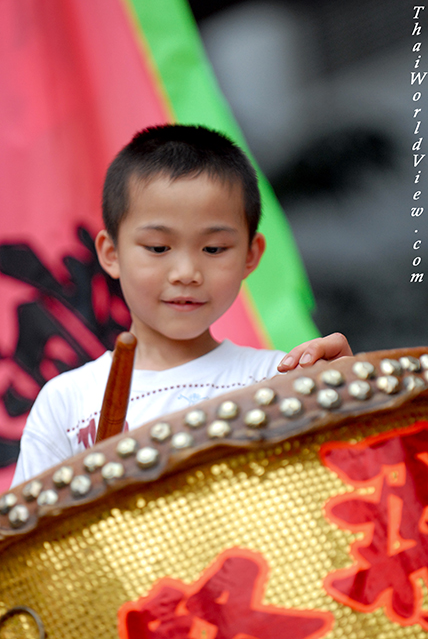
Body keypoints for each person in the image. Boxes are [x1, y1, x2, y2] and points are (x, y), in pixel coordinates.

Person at [12, 125, 351, 486]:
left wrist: (351, 406)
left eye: (214, 249)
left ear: (251, 256)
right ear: (111, 254)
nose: (186, 273)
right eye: (158, 248)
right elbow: (29, 539)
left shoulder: (278, 381)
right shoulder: (67, 404)